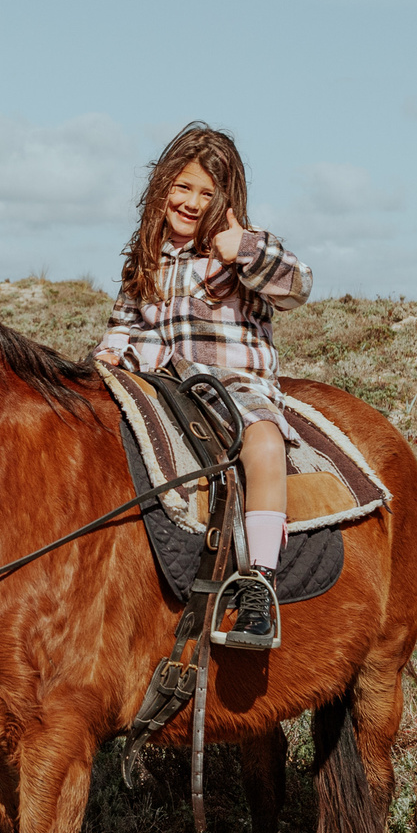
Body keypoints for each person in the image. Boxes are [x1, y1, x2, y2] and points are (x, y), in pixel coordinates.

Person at [94, 123, 310, 650]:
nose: (191, 203)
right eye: (183, 187)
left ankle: (259, 584)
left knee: (262, 441)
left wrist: (247, 250)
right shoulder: (148, 255)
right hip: (165, 388)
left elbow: (298, 287)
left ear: (226, 199)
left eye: (207, 193)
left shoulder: (243, 250)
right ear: (163, 186)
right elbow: (128, 326)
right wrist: (105, 358)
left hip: (234, 387)